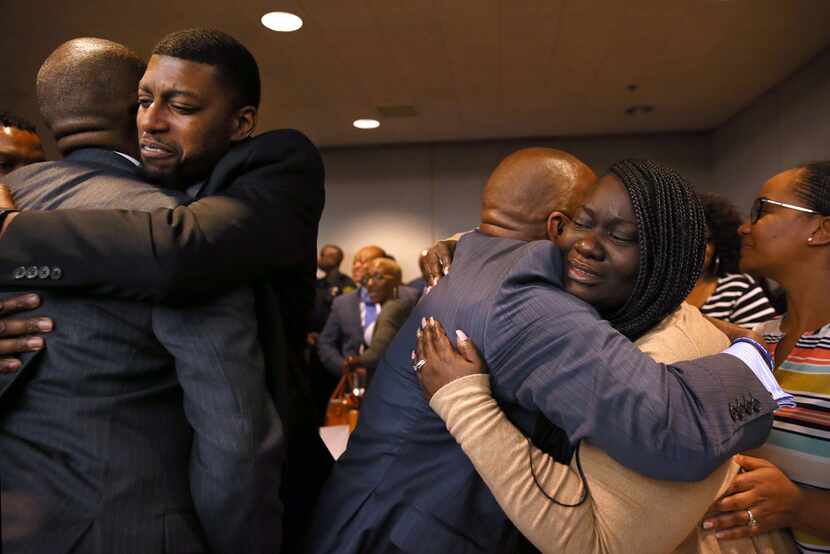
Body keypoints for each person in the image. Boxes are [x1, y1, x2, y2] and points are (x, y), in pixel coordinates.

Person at [307, 148, 783, 553]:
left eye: (619, 233)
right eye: (584, 221)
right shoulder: (527, 300)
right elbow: (670, 429)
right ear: (558, 224)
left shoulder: (473, 259)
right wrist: (751, 358)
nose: (586, 245)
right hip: (400, 535)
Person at [0, 28, 327, 551]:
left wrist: (10, 232)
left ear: (241, 122)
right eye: (144, 100)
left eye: (179, 105)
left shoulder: (273, 167)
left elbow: (179, 249)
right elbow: (232, 438)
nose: (151, 120)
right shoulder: (140, 197)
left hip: (280, 478)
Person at [702, 162, 830, 552]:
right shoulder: (764, 337)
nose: (744, 227)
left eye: (763, 211)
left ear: (820, 230)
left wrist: (799, 507)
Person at [686, 192, 777, 328]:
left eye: (708, 240)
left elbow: (760, 345)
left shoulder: (737, 289)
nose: (702, 248)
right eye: (690, 239)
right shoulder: (655, 293)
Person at [341, 257, 415, 376]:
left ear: (395, 281)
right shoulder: (392, 305)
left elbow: (377, 354)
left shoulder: (392, 309)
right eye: (368, 278)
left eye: (379, 277)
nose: (370, 284)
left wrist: (354, 362)